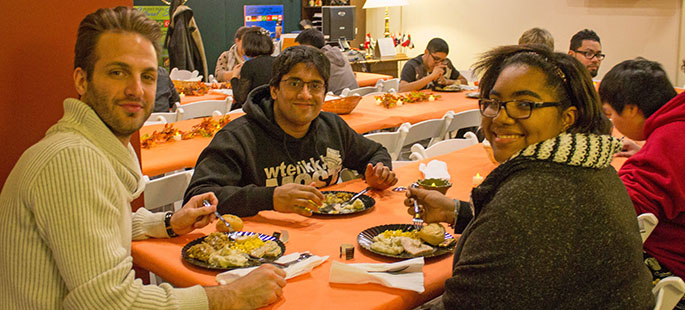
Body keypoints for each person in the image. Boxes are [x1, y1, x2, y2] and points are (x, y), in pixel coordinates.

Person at [0, 7, 286, 309]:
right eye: (117, 72)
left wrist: (169, 221)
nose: (136, 90)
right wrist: (232, 296)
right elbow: (108, 302)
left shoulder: (89, 146)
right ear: (82, 81)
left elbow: (100, 226)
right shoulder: (72, 160)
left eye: (147, 76)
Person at [404, 44, 654, 308]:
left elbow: (465, 302)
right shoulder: (592, 164)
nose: (501, 117)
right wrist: (455, 212)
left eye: (524, 104)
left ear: (567, 117)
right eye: (494, 103)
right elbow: (545, 240)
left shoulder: (527, 200)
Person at [184, 45, 397, 217]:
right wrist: (270, 198)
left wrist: (379, 172)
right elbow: (198, 197)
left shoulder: (332, 126)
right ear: (274, 89)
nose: (305, 95)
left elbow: (375, 153)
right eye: (295, 83)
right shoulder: (238, 137)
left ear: (324, 93)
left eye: (315, 85)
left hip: (325, 237)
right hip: (260, 253)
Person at [598, 58, 684, 280]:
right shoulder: (675, 126)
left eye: (610, 114)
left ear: (631, 109)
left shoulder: (668, 142)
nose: (613, 122)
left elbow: (622, 210)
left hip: (674, 268)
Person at [295, 28, 358, 95]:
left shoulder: (318, 62)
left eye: (302, 48)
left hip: (337, 101)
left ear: (309, 47)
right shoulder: (340, 54)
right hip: (354, 98)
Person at [230, 27, 276, 110]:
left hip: (256, 112)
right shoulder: (279, 61)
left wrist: (234, 77)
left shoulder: (249, 65)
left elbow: (241, 98)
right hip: (276, 109)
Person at [399, 38, 468, 92]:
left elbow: (464, 82)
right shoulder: (412, 65)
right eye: (436, 58)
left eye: (442, 60)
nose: (439, 63)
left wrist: (447, 82)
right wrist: (431, 77)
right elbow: (402, 89)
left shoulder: (446, 64)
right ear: (426, 52)